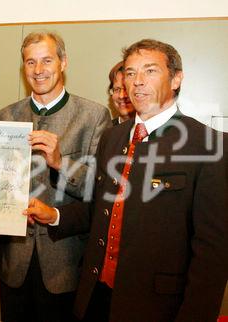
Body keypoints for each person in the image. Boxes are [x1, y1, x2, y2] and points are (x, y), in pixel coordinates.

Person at [25, 39, 227, 322]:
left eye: (150, 71)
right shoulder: (114, 137)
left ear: (177, 79)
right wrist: (55, 215)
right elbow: (101, 208)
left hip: (158, 307)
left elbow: (212, 254)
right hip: (96, 298)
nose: (138, 82)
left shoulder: (208, 145)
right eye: (130, 73)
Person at [0, 31, 111, 321]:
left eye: (47, 60)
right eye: (30, 62)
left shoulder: (94, 115)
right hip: (14, 263)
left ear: (63, 63)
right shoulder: (6, 116)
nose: (38, 70)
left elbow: (101, 189)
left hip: (66, 263)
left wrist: (61, 163)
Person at [108, 61, 135, 125]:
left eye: (126, 89)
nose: (121, 96)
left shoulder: (158, 131)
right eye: (117, 89)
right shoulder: (104, 130)